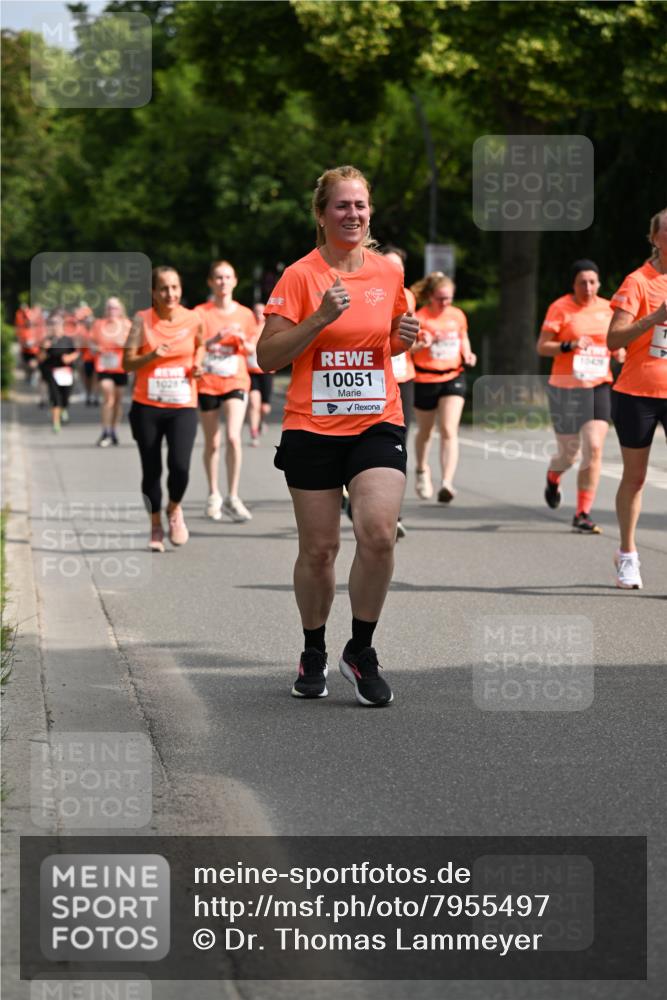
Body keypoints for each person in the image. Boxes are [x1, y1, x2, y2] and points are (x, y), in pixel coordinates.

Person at [257, 165, 419, 707]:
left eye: (360, 206)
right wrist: (319, 318)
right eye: (342, 206)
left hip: (376, 418)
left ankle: (362, 649)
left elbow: (386, 345)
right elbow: (268, 357)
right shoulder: (300, 277)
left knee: (377, 534)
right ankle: (313, 650)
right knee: (320, 549)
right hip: (312, 426)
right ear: (322, 214)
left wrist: (405, 337)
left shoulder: (387, 274)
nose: (353, 214)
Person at [123, 266, 204, 552]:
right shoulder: (141, 320)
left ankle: (174, 509)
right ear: (153, 293)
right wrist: (150, 356)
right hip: (147, 406)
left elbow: (200, 345)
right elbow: (127, 363)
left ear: (180, 289)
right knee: (152, 470)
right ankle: (155, 524)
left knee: (180, 467)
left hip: (182, 404)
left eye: (174, 287)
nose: (170, 293)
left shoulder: (193, 318)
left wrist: (198, 365)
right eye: (164, 289)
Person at [536, 260, 620, 534]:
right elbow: (542, 347)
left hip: (598, 385)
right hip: (565, 387)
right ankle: (553, 477)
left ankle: (583, 512)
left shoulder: (609, 309)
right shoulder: (560, 308)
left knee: (594, 447)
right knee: (569, 455)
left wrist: (620, 352)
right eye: (582, 282)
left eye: (593, 282)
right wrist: (569, 345)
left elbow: (618, 342)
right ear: (573, 284)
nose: (588, 287)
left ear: (599, 283)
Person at [607, 208, 667, 589]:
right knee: (637, 476)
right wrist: (655, 317)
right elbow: (614, 339)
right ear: (655, 238)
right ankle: (628, 554)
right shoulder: (638, 282)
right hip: (637, 394)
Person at [195, 261, 257, 522]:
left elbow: (253, 349)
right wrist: (215, 339)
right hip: (208, 382)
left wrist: (242, 340)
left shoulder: (245, 314)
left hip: (236, 380)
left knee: (233, 437)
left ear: (235, 281)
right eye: (218, 278)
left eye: (227, 277)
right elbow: (193, 345)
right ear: (210, 282)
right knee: (213, 441)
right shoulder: (200, 313)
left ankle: (233, 495)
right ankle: (213, 494)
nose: (223, 282)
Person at [411, 272, 476, 503]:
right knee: (426, 431)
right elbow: (407, 349)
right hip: (425, 379)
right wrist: (421, 344)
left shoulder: (457, 315)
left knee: (449, 429)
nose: (445, 303)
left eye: (448, 298)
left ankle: (447, 482)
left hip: (453, 376)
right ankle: (421, 470)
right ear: (430, 296)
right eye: (440, 298)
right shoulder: (419, 317)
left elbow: (463, 338)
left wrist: (467, 354)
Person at [92, 297, 131, 447]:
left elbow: (135, 345)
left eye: (115, 308)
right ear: (105, 309)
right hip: (104, 366)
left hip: (120, 367)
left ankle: (114, 430)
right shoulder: (99, 325)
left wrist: (124, 345)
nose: (112, 311)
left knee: (118, 401)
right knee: (108, 397)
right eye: (109, 307)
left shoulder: (126, 325)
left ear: (120, 309)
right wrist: (95, 348)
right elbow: (91, 342)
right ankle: (105, 431)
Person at [38, 310, 79, 432]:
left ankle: (64, 409)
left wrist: (69, 358)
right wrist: (45, 349)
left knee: (65, 396)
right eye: (52, 324)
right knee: (55, 396)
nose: (55, 326)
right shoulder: (47, 340)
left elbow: (76, 352)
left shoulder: (68, 340)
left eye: (57, 324)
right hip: (52, 371)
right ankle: (56, 423)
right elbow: (40, 358)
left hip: (66, 372)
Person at [246, 302, 274, 447]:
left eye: (261, 311)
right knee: (253, 403)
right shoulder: (248, 328)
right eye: (256, 311)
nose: (258, 314)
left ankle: (261, 421)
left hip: (266, 371)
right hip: (251, 372)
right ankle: (254, 432)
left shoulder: (269, 328)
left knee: (264, 408)